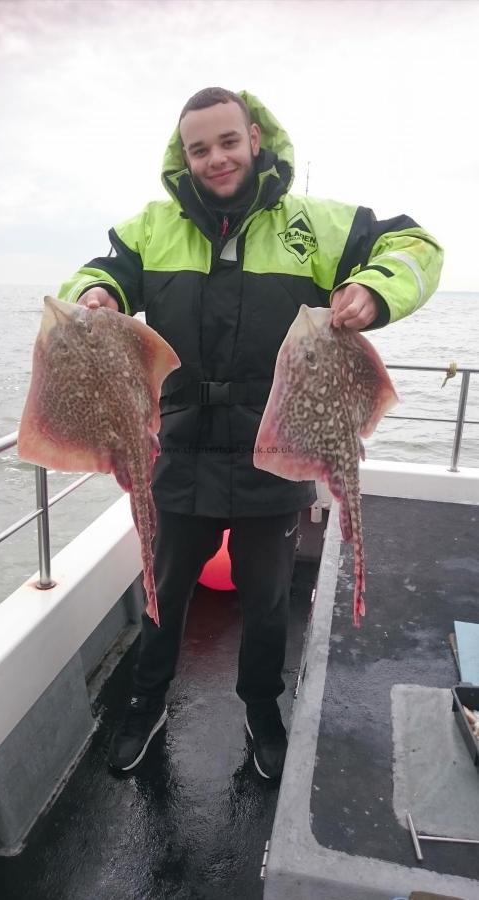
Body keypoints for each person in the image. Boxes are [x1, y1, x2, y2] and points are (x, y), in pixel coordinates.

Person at [59, 88, 443, 779]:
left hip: (279, 449)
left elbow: (414, 245)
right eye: (199, 148)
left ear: (256, 139)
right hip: (179, 449)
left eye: (228, 141)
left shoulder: (315, 224)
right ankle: (147, 702)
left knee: (266, 601)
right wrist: (100, 296)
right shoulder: (153, 227)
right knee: (160, 591)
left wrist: (377, 290)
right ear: (185, 155)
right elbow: (101, 271)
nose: (216, 158)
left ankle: (261, 707)